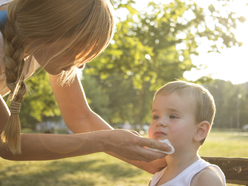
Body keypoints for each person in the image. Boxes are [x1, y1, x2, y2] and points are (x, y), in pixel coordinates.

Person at [0, 0, 171, 174]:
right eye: (75, 50)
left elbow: (79, 116)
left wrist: (149, 162)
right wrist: (104, 141)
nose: (80, 66)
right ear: (48, 30)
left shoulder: (38, 28)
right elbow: (6, 143)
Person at [148, 81, 226, 186]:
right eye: (156, 116)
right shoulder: (157, 177)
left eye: (173, 116)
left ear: (200, 131)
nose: (160, 122)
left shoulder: (204, 178)